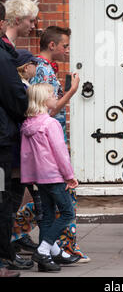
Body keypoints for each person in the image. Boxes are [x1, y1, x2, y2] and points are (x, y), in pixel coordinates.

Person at [30, 26, 87, 261]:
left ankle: (52, 250)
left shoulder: (43, 68)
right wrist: (72, 91)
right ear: (52, 46)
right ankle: (54, 247)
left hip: (49, 149)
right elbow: (49, 110)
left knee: (48, 206)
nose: (67, 50)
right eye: (65, 45)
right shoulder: (43, 70)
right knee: (63, 203)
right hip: (51, 150)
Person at [20, 83, 81, 272]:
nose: (56, 97)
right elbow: (60, 152)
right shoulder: (50, 123)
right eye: (53, 95)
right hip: (54, 176)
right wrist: (69, 175)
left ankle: (49, 256)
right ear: (43, 101)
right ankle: (44, 250)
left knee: (47, 216)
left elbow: (26, 155)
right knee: (67, 213)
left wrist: (30, 176)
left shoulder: (27, 125)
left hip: (39, 177)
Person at [0, 2, 29, 278]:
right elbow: (15, 97)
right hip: (2, 143)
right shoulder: (3, 57)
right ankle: (3, 259)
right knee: (3, 199)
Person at [10, 50, 43, 254]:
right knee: (20, 196)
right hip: (19, 151)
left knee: (22, 194)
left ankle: (18, 235)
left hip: (22, 150)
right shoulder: (22, 88)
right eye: (33, 63)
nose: (36, 67)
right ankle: (17, 236)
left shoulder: (26, 86)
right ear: (25, 67)